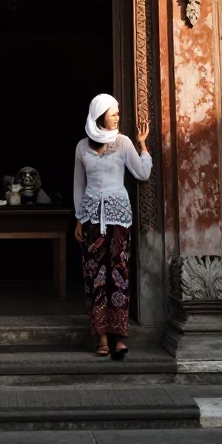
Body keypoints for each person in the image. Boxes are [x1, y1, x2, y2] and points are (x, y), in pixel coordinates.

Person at [73, 93, 151, 359]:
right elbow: (79, 185)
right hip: (92, 220)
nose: (118, 116)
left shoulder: (123, 142)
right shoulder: (82, 146)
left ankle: (119, 337)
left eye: (117, 112)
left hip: (119, 220)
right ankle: (102, 338)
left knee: (119, 276)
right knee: (95, 278)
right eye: (113, 112)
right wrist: (79, 217)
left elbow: (142, 173)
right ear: (100, 115)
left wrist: (143, 146)